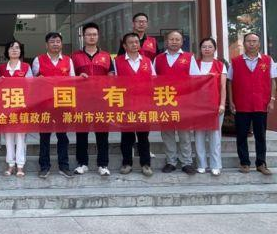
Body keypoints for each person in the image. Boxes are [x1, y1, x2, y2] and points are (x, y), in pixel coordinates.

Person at [227, 32, 277, 175]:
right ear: (244, 43)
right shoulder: (235, 61)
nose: (251, 43)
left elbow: (273, 81)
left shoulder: (268, 60)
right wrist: (231, 101)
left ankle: (261, 163)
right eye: (249, 41)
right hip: (242, 104)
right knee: (241, 135)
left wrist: (272, 100)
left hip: (261, 104)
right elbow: (230, 82)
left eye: (254, 41)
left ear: (259, 44)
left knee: (260, 135)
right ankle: (244, 163)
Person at [154, 30, 199, 175]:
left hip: (183, 101)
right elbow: (152, 80)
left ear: (182, 41)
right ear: (166, 41)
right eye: (171, 39)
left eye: (177, 39)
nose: (174, 42)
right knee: (167, 133)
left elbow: (196, 79)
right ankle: (171, 162)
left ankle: (187, 162)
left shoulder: (189, 57)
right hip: (164, 100)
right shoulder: (158, 59)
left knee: (184, 133)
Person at [71, 23, 113, 177]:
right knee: (81, 133)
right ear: (83, 36)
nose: (91, 37)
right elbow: (69, 77)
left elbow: (112, 75)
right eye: (88, 34)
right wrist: (78, 77)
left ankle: (103, 164)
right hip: (82, 100)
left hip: (101, 100)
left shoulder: (106, 56)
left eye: (94, 34)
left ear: (98, 36)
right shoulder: (75, 56)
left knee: (102, 133)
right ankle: (82, 163)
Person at [32, 32, 75, 179]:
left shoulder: (68, 60)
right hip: (44, 103)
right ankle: (44, 166)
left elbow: (72, 80)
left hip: (63, 103)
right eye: (52, 41)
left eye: (58, 41)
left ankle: (64, 166)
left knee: (63, 136)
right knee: (44, 136)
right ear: (46, 45)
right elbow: (33, 81)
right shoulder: (38, 60)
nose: (55, 44)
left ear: (61, 44)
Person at [114, 32, 156, 177]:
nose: (134, 45)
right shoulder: (117, 61)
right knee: (127, 136)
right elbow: (113, 82)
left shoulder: (147, 61)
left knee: (143, 136)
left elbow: (154, 80)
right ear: (124, 46)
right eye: (131, 42)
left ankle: (146, 164)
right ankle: (127, 163)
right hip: (125, 104)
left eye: (136, 42)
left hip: (144, 104)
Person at [193, 37, 227, 176]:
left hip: (215, 105)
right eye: (204, 47)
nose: (207, 49)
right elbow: (191, 85)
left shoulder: (220, 65)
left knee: (215, 135)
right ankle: (201, 164)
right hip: (198, 106)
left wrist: (222, 104)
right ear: (200, 49)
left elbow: (223, 87)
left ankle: (215, 165)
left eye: (210, 47)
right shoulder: (195, 64)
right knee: (199, 135)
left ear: (215, 49)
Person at [0, 40, 30, 177]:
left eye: (17, 48)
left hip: (22, 106)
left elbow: (32, 85)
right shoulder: (1, 68)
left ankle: (20, 165)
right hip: (6, 107)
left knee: (20, 137)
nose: (14, 50)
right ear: (7, 51)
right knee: (8, 137)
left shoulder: (26, 67)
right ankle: (10, 164)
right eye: (11, 48)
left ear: (21, 51)